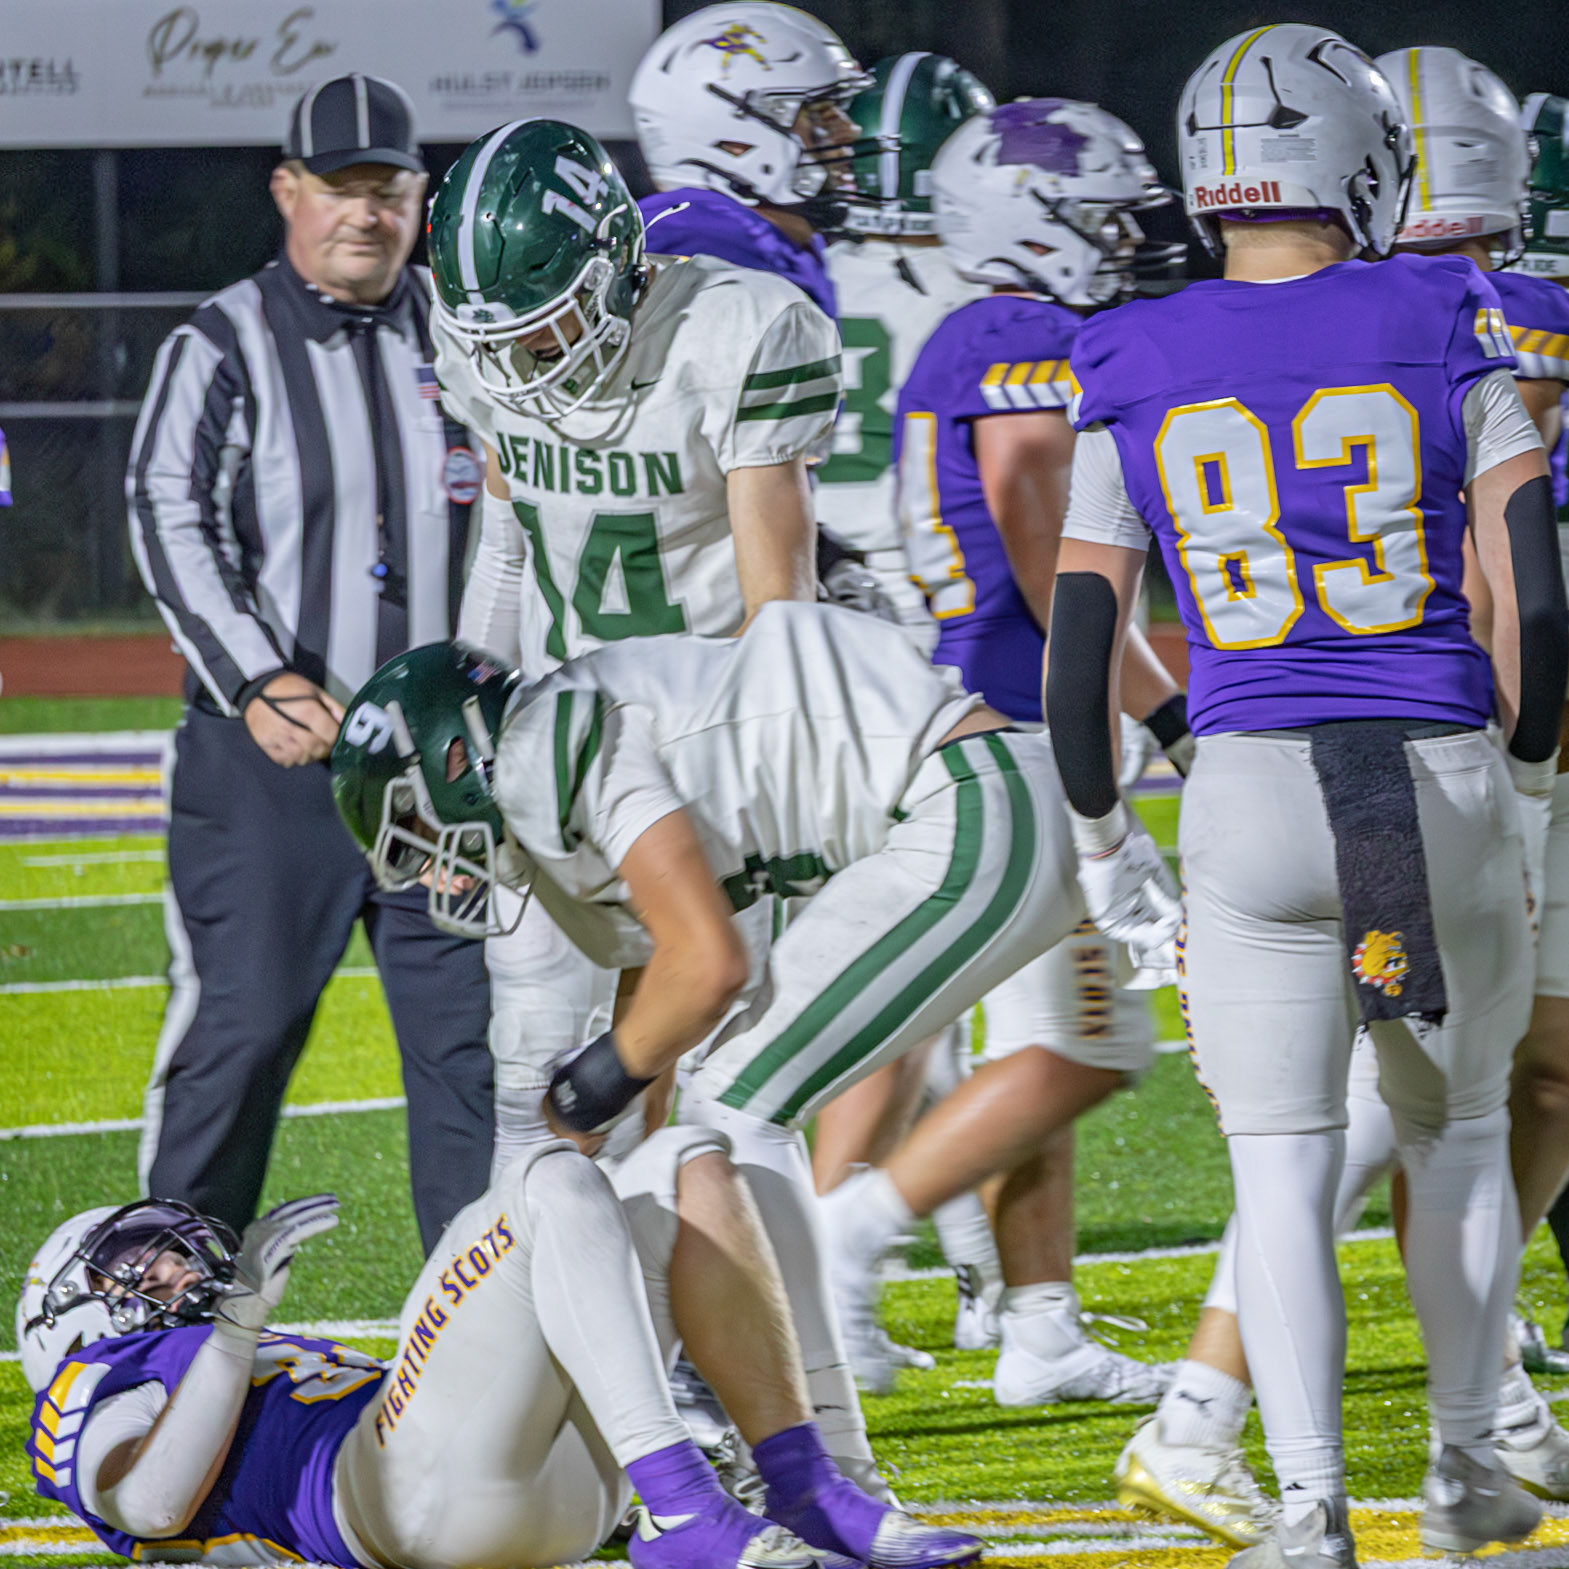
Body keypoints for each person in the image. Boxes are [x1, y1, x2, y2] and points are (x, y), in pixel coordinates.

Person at [1044, 22, 1566, 1566]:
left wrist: (1099, 850)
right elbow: (1533, 607)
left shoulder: (1126, 352)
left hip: (1249, 793)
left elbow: (1086, 650)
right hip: (1428, 771)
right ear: (1357, 164)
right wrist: (1530, 804)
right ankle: (1471, 1468)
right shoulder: (1441, 304)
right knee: (1456, 1135)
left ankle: (1306, 1506)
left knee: (1277, 1168)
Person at [426, 116, 904, 1499]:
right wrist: (479, 734)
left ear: (620, 264)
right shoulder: (492, 346)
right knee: (538, 1110)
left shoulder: (737, 327)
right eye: (496, 336)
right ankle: (566, 1419)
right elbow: (507, 543)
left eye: (548, 319)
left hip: (699, 755)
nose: (522, 358)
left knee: (722, 1119)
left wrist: (776, 773)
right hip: (559, 754)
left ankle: (806, 1444)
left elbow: (777, 598)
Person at [819, 97, 1193, 1401]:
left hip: (999, 707)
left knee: (1039, 1034)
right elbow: (1054, 572)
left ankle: (1038, 1324)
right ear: (1034, 219)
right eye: (1102, 212)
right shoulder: (1016, 343)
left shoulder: (1000, 331)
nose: (1127, 236)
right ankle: (844, 1240)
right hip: (1018, 724)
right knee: (1087, 1046)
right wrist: (1164, 711)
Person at [126, 73, 492, 1254]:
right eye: (340, 189)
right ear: (287, 191)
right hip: (272, 756)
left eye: (387, 190)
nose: (365, 215)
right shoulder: (223, 338)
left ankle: (481, 1346)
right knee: (242, 1029)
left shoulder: (468, 336)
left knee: (472, 1052)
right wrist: (255, 678)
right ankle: (156, 1309)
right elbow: (165, 508)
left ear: (419, 199)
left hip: (441, 767)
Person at [18, 1148, 981, 1567]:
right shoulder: (93, 1378)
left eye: (171, 1244)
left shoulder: (237, 1342)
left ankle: (803, 1481)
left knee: (699, 1160)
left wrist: (238, 1334)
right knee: (548, 1180)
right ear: (63, 1308)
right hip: (391, 1504)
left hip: (533, 1490)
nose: (177, 1262)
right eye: (139, 1256)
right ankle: (684, 1500)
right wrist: (228, 1334)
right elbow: (147, 1506)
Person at [628, 2, 866, 322]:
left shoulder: (776, 242)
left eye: (839, 108)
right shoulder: (699, 252)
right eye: (818, 114)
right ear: (735, 143)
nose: (850, 130)